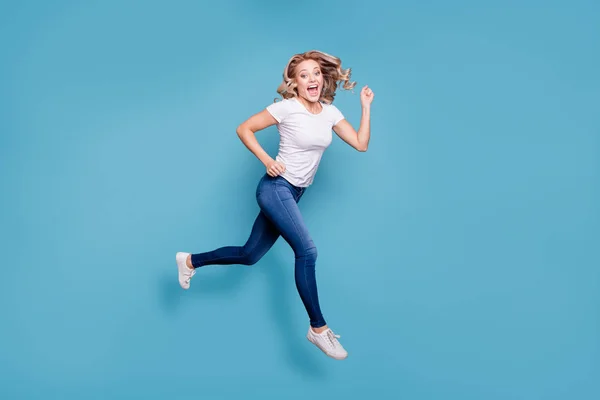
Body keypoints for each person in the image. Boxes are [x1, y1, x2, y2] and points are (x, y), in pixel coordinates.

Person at [176, 50, 374, 360]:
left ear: (323, 79)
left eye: (316, 73)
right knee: (307, 252)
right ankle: (318, 329)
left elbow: (361, 144)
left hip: (295, 193)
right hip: (275, 189)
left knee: (249, 254)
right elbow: (244, 128)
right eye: (304, 75)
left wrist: (365, 107)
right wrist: (268, 160)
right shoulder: (286, 108)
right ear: (294, 83)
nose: (312, 79)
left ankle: (189, 261)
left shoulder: (330, 113)